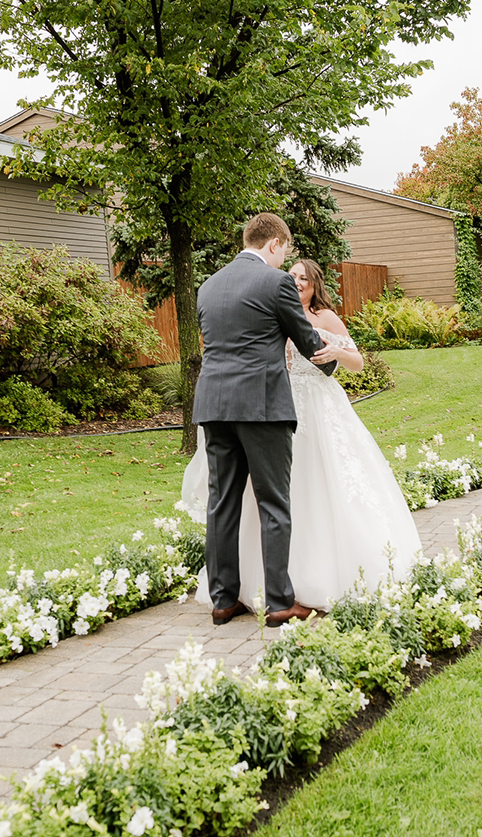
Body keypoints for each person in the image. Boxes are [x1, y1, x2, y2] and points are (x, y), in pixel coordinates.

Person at [179, 258, 422, 613]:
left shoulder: (324, 317)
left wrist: (336, 352)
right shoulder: (275, 308)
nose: (295, 282)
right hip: (273, 406)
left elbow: (356, 361)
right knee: (272, 498)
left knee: (289, 492)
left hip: (309, 407)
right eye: (291, 276)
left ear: (314, 284)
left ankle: (235, 596)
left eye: (303, 278)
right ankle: (271, 593)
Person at [191, 213, 338, 628]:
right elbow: (306, 340)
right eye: (285, 251)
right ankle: (279, 602)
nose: (284, 260)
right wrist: (329, 361)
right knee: (274, 502)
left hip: (215, 405)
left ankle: (222, 600)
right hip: (262, 406)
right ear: (274, 243)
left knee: (221, 503)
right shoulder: (276, 283)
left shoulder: (208, 286)